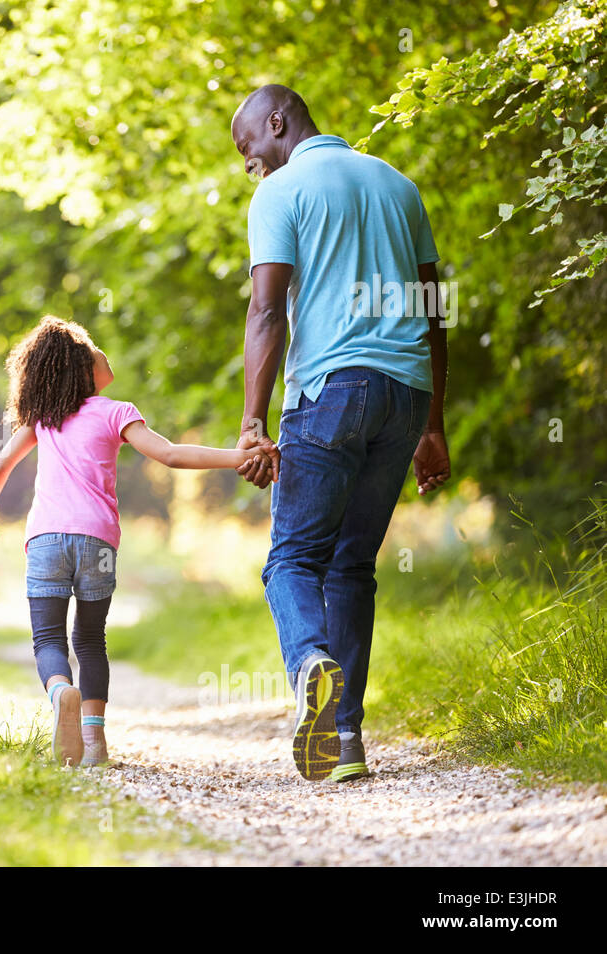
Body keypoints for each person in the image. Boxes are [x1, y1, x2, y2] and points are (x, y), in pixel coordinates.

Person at [230, 84, 450, 782]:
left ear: (277, 122)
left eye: (248, 147)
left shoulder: (280, 193)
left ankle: (309, 665)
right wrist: (435, 424)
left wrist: (251, 420)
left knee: (291, 559)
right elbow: (433, 311)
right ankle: (345, 740)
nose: (247, 164)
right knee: (352, 564)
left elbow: (267, 313)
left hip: (330, 392)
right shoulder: (397, 184)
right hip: (406, 397)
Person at [0, 317, 278, 767]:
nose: (101, 352)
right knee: (91, 640)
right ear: (80, 367)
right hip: (97, 541)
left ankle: (60, 694)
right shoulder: (117, 412)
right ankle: (93, 743)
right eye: (91, 348)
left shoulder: (43, 421)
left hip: (45, 541)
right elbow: (171, 455)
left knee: (48, 639)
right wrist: (240, 457)